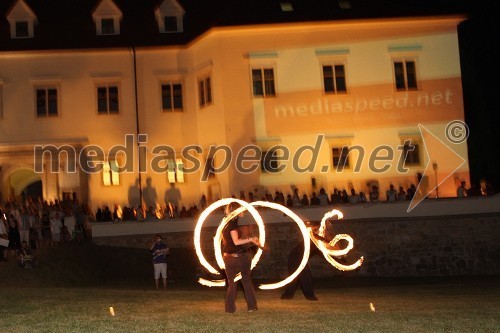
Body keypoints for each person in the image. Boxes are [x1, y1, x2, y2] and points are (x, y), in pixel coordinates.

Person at [222, 203, 260, 313]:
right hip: (238, 258)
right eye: (242, 209)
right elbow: (236, 241)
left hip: (228, 257)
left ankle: (229, 309)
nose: (244, 211)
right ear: (237, 211)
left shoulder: (226, 224)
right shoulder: (233, 224)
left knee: (232, 283)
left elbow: (231, 242)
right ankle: (252, 307)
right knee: (246, 281)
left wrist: (248, 240)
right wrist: (251, 239)